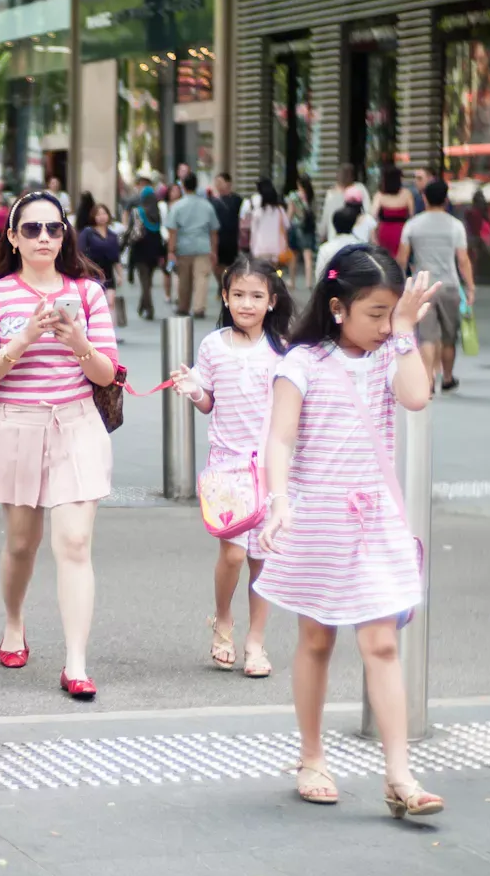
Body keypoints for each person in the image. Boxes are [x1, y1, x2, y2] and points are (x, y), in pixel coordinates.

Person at [255, 245, 443, 816]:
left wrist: (406, 329)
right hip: (317, 518)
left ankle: (400, 775)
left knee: (381, 641)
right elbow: (280, 439)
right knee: (317, 639)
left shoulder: (392, 352)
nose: (385, 325)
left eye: (392, 312)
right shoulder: (302, 362)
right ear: (338, 308)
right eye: (376, 314)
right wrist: (279, 500)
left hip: (374, 519)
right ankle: (312, 756)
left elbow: (417, 396)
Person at [0, 190, 119, 701]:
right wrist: (24, 337)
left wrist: (77, 339)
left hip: (77, 423)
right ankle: (14, 620)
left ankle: (75, 662)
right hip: (18, 425)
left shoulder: (89, 293)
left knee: (74, 543)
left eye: (53, 229)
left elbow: (106, 373)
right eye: (31, 229)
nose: (44, 239)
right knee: (21, 544)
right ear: (12, 236)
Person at [173, 255, 293, 678]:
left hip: (272, 470)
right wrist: (194, 391)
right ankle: (223, 618)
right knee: (232, 553)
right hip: (227, 465)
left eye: (256, 296)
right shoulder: (213, 346)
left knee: (264, 558)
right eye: (238, 295)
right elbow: (209, 403)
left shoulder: (283, 350)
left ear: (272, 301)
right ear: (224, 297)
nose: (247, 303)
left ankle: (255, 642)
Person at [396, 179, 475, 391]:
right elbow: (463, 260)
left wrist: (400, 283)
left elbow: (402, 258)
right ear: (446, 199)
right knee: (449, 337)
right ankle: (447, 379)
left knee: (426, 336)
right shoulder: (455, 226)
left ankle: (428, 380)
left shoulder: (412, 225)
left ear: (424, 198)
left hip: (423, 287)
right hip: (449, 285)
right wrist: (470, 287)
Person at [166, 171, 221, 318]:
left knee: (184, 279)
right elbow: (214, 230)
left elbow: (172, 230)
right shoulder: (207, 206)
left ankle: (183, 306)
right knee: (202, 278)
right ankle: (199, 308)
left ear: (183, 186)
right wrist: (214, 250)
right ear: (197, 186)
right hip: (203, 247)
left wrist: (171, 250)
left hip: (183, 247)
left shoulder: (177, 206)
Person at [78, 201, 122, 326]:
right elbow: (80, 252)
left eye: (104, 213)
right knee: (93, 303)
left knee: (111, 302)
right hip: (92, 272)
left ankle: (111, 331)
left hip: (108, 272)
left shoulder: (113, 236)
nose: (102, 217)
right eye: (98, 214)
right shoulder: (88, 233)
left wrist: (120, 274)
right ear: (93, 217)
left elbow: (116, 258)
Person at [126, 184, 166, 320]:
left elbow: (131, 230)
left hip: (140, 250)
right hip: (154, 252)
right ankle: (142, 305)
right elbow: (159, 233)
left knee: (145, 282)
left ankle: (149, 309)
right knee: (147, 281)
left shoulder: (137, 212)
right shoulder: (157, 212)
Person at [317, 163, 371, 243]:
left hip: (334, 240)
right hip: (357, 240)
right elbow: (368, 212)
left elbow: (325, 219)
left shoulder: (331, 194)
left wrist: (321, 236)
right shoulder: (359, 189)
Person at [247, 178, 291, 269]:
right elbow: (287, 225)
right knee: (274, 274)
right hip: (276, 248)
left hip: (260, 248)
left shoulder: (258, 212)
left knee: (262, 274)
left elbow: (253, 230)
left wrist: (252, 247)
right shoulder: (279, 210)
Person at [372, 165, 413, 256]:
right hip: (402, 231)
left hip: (384, 230)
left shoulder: (379, 195)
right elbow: (411, 215)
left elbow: (373, 216)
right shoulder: (407, 194)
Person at [315, 204, 362, 279]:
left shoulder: (326, 248)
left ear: (334, 224)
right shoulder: (360, 246)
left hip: (332, 285)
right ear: (353, 224)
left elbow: (320, 274)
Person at [285, 177, 317, 287]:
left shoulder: (294, 196)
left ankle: (292, 281)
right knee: (307, 256)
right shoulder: (311, 196)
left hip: (296, 227)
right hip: (308, 228)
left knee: (293, 255)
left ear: (299, 184)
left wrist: (286, 226)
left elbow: (290, 212)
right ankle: (309, 282)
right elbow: (315, 212)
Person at [210, 172, 244, 267]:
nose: (218, 185)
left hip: (232, 240)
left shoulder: (237, 200)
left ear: (228, 183)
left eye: (220, 182)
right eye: (216, 182)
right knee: (218, 267)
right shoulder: (212, 201)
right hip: (218, 240)